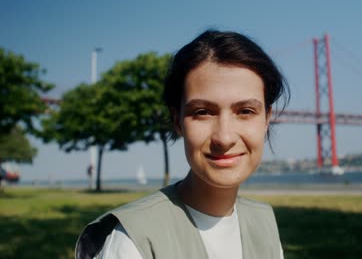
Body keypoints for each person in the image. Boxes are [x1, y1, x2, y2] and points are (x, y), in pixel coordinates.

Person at [75, 29, 289, 259]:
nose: (224, 138)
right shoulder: (134, 241)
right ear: (177, 121)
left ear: (267, 118)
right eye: (203, 112)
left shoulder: (264, 223)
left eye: (245, 111)